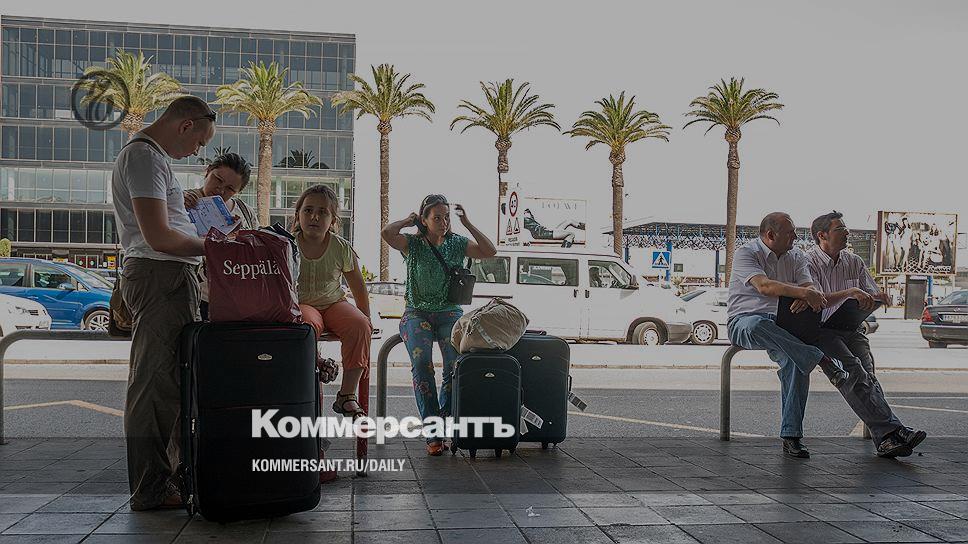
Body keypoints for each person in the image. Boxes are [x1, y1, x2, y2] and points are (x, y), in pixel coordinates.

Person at [111, 95, 215, 510]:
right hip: (159, 276)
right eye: (199, 141)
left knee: (170, 383)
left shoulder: (152, 159)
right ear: (185, 125)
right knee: (154, 384)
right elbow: (157, 236)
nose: (197, 151)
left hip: (169, 276)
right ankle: (151, 487)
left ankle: (167, 480)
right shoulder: (144, 157)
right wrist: (215, 247)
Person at [726, 212, 848, 459]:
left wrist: (807, 293)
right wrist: (802, 294)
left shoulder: (796, 256)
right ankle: (821, 359)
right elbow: (764, 286)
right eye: (790, 232)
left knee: (796, 364)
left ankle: (792, 436)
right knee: (756, 325)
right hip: (744, 321)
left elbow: (808, 286)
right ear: (771, 235)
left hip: (783, 325)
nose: (795, 236)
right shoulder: (746, 253)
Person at [382, 194, 497, 456]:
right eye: (437, 218)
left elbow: (490, 251)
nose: (443, 222)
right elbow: (387, 233)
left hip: (449, 312)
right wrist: (408, 221)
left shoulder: (457, 243)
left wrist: (467, 223)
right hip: (416, 313)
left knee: (455, 368)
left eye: (446, 217)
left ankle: (443, 425)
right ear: (424, 220)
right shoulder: (412, 244)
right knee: (422, 365)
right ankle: (433, 432)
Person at [807, 211, 927, 457]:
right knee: (853, 371)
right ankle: (896, 430)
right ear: (822, 235)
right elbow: (816, 301)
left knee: (868, 377)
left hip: (852, 327)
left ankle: (886, 440)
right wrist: (850, 293)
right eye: (840, 229)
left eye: (846, 228)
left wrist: (877, 298)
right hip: (822, 330)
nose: (847, 232)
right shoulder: (808, 262)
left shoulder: (854, 261)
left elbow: (869, 293)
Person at [292, 185, 372, 419]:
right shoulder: (287, 244)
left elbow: (358, 286)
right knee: (307, 324)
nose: (314, 217)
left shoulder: (341, 247)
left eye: (322, 212)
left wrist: (367, 319)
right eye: (308, 210)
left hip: (334, 303)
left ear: (333, 219)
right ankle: (312, 375)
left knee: (359, 325)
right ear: (298, 215)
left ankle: (347, 395)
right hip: (303, 304)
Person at [183, 153, 257, 320]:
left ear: (238, 192)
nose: (220, 190)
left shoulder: (245, 212)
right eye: (218, 179)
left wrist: (239, 237)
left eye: (230, 189)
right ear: (208, 171)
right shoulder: (182, 201)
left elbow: (255, 253)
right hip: (193, 296)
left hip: (236, 298)